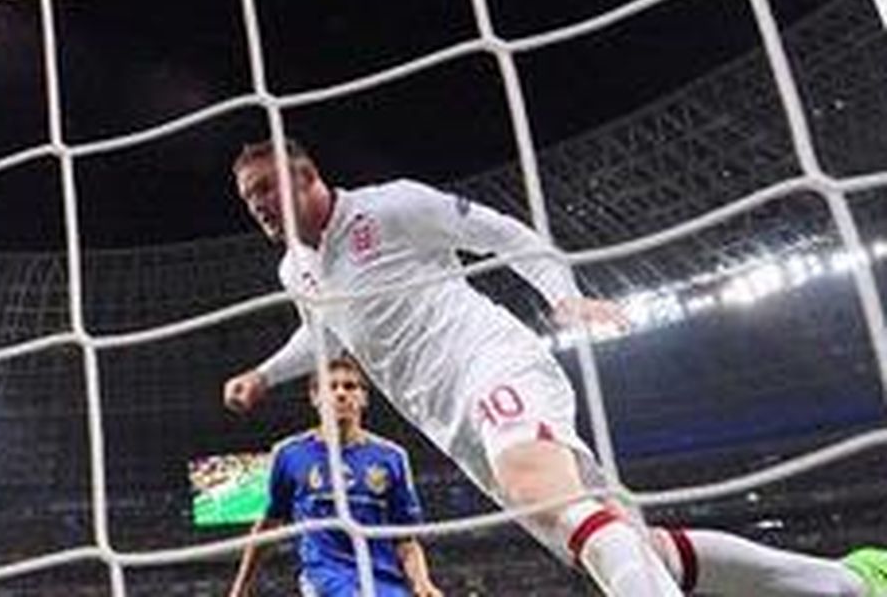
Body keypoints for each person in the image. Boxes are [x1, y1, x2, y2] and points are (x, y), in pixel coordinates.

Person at [222, 138, 887, 596]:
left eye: (266, 188)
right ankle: (845, 583)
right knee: (630, 547)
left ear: (306, 176)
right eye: (249, 198)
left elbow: (502, 233)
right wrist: (264, 375)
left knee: (543, 490)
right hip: (451, 425)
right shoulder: (295, 269)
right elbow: (325, 332)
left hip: (493, 365)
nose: (258, 205)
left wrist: (563, 296)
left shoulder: (390, 207)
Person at [228, 356, 442, 597]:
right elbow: (269, 525)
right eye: (331, 387)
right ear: (315, 397)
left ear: (364, 398)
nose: (341, 394)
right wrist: (240, 588)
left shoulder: (392, 457)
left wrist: (423, 583)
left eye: (350, 386)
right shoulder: (290, 454)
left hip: (384, 584)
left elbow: (405, 539)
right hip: (325, 580)